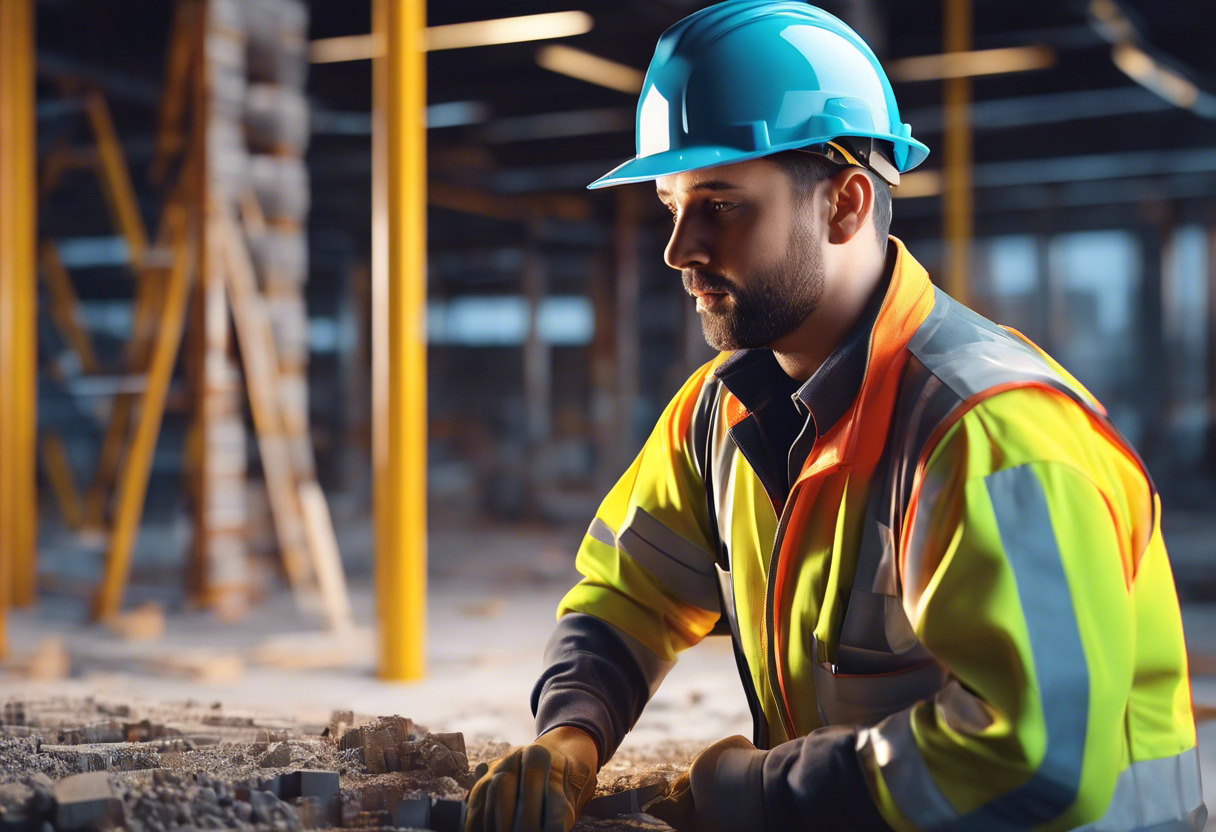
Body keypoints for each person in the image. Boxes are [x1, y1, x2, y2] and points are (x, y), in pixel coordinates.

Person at [464, 2, 1207, 830]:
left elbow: (1032, 761)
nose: (679, 250)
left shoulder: (990, 435)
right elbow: (626, 592)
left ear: (846, 205)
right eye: (673, 205)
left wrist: (754, 791)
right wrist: (570, 736)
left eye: (720, 203)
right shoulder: (719, 412)